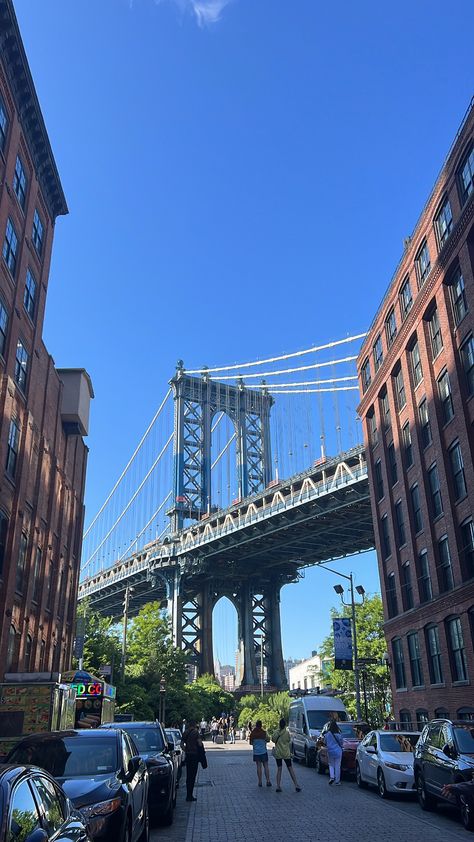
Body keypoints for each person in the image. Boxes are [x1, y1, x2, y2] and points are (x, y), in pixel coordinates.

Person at [272, 718, 301, 793]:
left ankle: (278, 786)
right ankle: (296, 785)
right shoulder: (287, 733)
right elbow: (288, 740)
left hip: (278, 753)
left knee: (279, 769)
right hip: (286, 753)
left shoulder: (276, 732)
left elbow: (273, 740)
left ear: (279, 724)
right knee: (290, 769)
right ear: (285, 725)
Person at [181, 719, 202, 802]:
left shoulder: (185, 733)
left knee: (188, 775)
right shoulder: (196, 733)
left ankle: (188, 795)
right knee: (193, 776)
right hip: (194, 755)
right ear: (194, 725)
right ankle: (190, 795)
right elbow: (200, 743)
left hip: (188, 755)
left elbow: (181, 745)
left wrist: (186, 749)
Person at [249, 720, 271, 788]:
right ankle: (268, 781)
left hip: (256, 752)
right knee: (266, 766)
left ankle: (260, 782)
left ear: (256, 725)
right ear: (261, 725)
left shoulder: (253, 733)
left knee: (258, 766)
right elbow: (268, 740)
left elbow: (251, 743)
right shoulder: (264, 733)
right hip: (264, 752)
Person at [324, 719, 344, 785]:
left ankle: (332, 777)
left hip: (330, 751)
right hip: (338, 751)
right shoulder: (339, 734)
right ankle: (337, 781)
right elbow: (341, 743)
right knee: (337, 766)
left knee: (331, 764)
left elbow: (325, 742)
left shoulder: (327, 734)